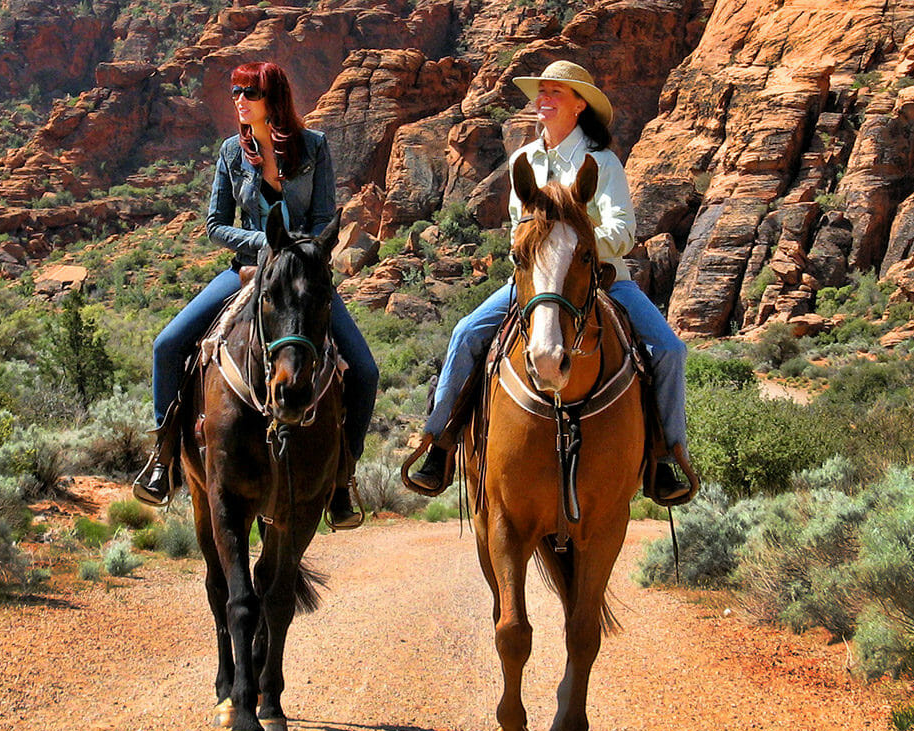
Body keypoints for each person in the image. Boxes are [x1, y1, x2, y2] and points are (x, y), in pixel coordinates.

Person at [405, 59, 694, 503]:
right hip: (534, 283)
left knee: (670, 351)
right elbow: (517, 229)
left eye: (555, 92)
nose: (543, 99)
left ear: (579, 105)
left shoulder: (603, 162)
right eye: (541, 91)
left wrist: (573, 247)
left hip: (601, 279)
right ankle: (438, 445)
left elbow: (623, 230)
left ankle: (665, 457)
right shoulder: (523, 161)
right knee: (465, 334)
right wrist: (540, 254)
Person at [134, 61, 378, 526]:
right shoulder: (231, 152)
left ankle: (342, 479)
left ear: (273, 98)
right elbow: (215, 225)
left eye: (249, 92)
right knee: (167, 345)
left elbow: (323, 217)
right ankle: (163, 460)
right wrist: (265, 243)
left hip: (301, 277)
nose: (239, 100)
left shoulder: (314, 146)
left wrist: (293, 252)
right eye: (235, 91)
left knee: (364, 371)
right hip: (246, 271)